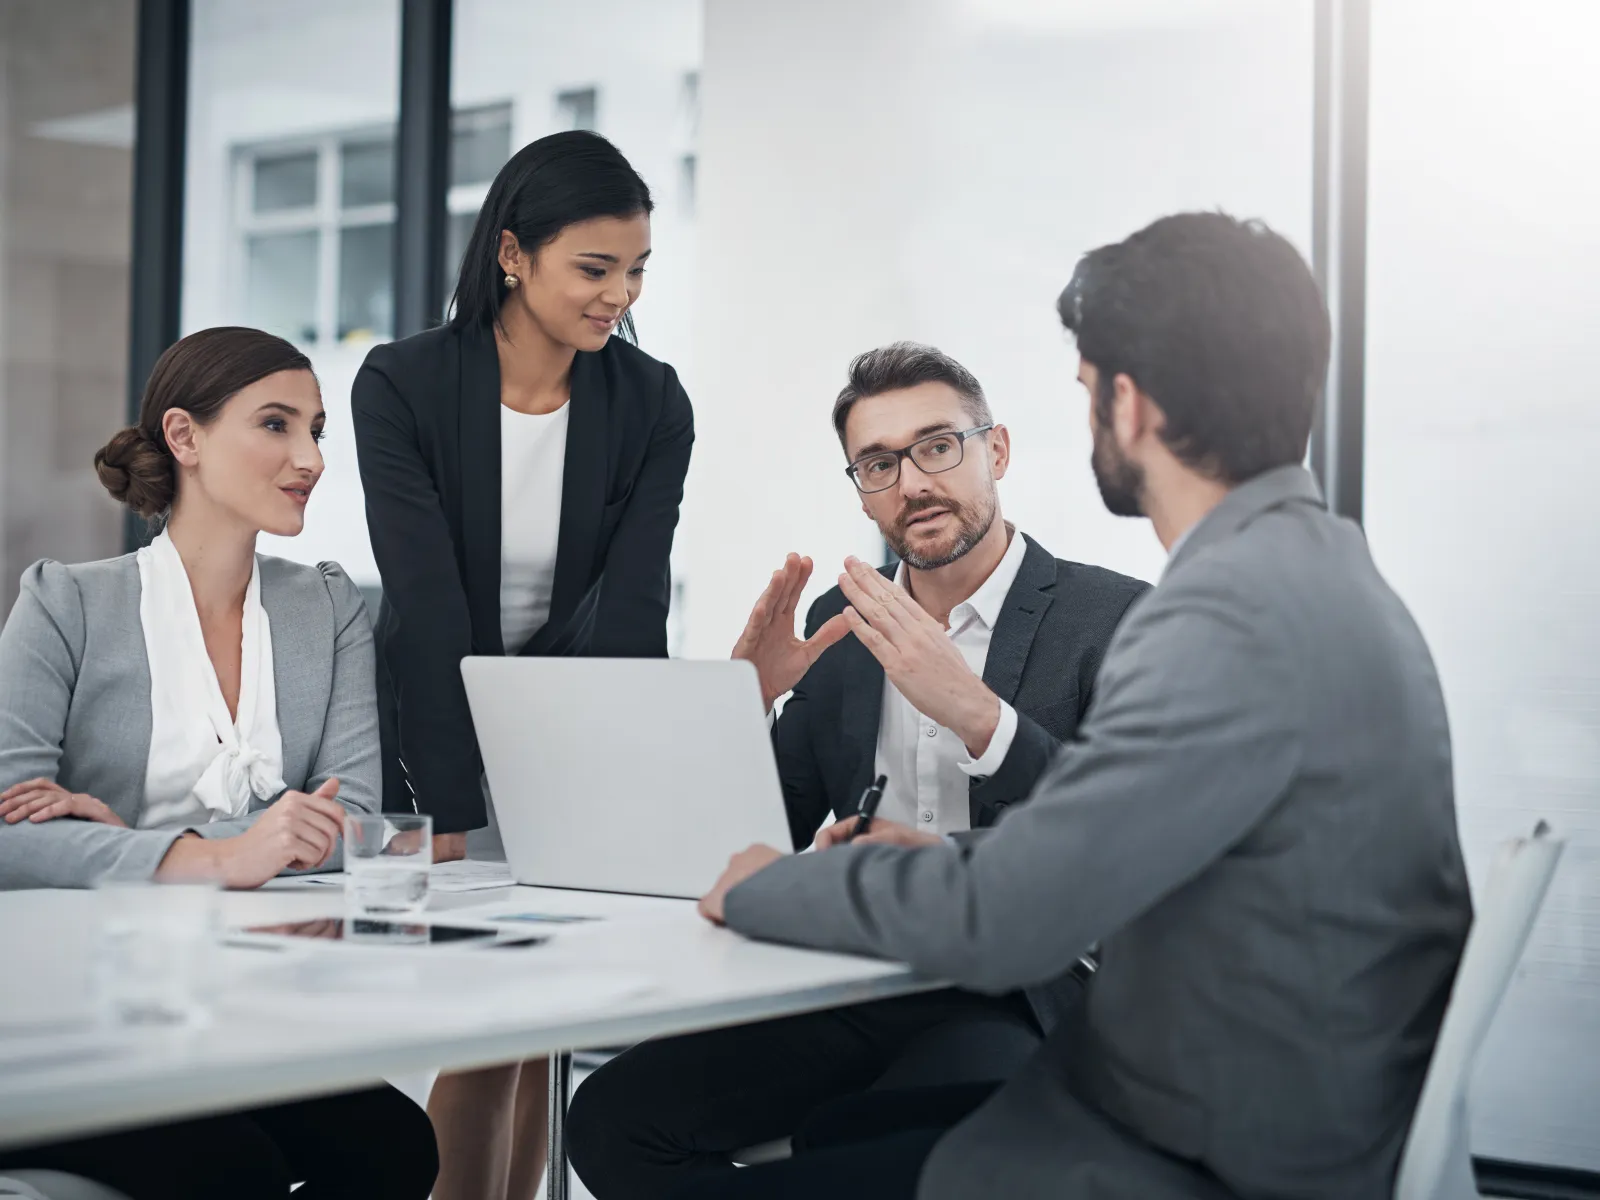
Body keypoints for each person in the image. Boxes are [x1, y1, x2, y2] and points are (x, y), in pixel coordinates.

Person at [690, 213, 1474, 1200]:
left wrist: (767, 888)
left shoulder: (1221, 617)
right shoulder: (1316, 573)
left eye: (1085, 388)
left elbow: (1013, 917)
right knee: (825, 1131)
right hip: (1260, 1095)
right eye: (880, 463)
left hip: (1197, 1141)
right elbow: (1108, 849)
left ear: (1127, 404)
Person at [565, 342, 1149, 1199]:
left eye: (938, 446)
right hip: (844, 973)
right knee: (610, 1120)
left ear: (996, 450)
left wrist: (980, 717)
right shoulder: (844, 616)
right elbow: (759, 833)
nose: (912, 484)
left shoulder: (1117, 618)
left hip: (1014, 987)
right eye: (878, 464)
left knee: (884, 1137)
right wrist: (743, 704)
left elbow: (1123, 836)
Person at [0, 326, 438, 1199]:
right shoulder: (65, 603)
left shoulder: (327, 607)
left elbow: (354, 823)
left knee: (396, 1147)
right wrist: (220, 855)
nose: (311, 458)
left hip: (247, 1003)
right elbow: (9, 832)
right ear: (184, 436)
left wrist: (137, 841)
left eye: (317, 430)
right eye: (277, 424)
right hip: (77, 1013)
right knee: (235, 1174)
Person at [351, 129, 692, 1200]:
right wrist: (449, 803)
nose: (618, 296)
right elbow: (426, 602)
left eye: (636, 269)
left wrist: (607, 800)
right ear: (512, 252)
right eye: (594, 268)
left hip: (570, 726)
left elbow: (632, 608)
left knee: (541, 1018)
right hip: (435, 724)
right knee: (483, 1018)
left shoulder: (651, 401)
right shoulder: (401, 383)